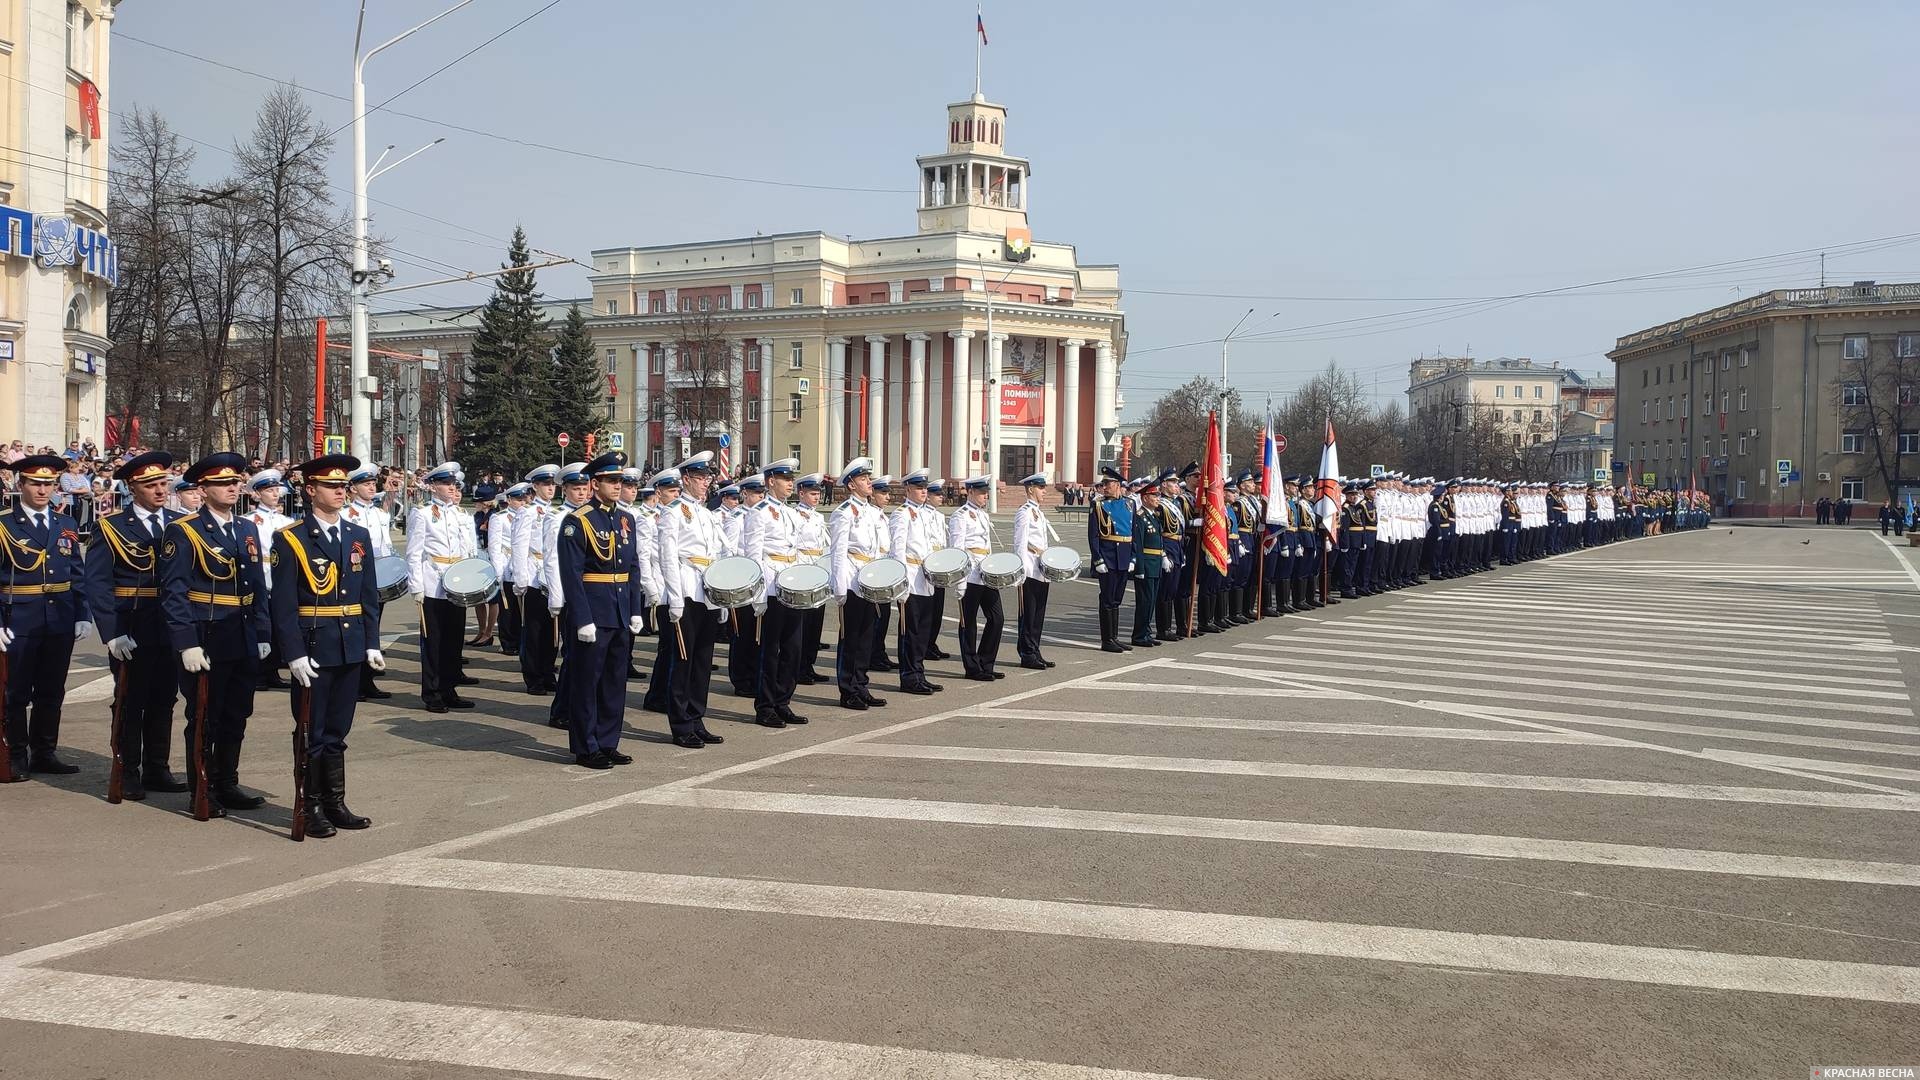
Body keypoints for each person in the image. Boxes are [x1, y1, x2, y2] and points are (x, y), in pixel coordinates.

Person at [272, 455, 383, 837]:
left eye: (342, 486)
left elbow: (368, 594)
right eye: (331, 486)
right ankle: (310, 805)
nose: (340, 492)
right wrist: (293, 653)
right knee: (311, 730)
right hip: (313, 645)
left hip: (349, 644)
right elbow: (283, 604)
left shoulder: (357, 535)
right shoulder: (291, 538)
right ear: (310, 490)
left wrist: (372, 642)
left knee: (338, 728)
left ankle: (335, 801)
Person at [161, 452, 272, 815]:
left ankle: (227, 781)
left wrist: (262, 631)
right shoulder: (185, 530)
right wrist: (186, 642)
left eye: (236, 483)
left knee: (237, 714)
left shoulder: (246, 529)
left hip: (241, 634)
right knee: (205, 715)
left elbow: (256, 584)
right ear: (203, 489)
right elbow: (174, 592)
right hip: (206, 634)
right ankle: (202, 788)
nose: (232, 488)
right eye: (223, 484)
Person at [84, 451, 186, 799]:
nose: (160, 490)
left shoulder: (179, 523)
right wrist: (111, 632)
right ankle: (127, 769)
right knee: (130, 698)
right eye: (151, 485)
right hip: (132, 621)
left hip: (169, 623)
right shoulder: (111, 527)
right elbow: (98, 583)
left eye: (163, 483)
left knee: (165, 698)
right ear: (132, 487)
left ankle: (157, 767)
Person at [0, 454, 94, 781]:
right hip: (19, 618)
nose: (43, 490)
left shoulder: (65, 524)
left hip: (60, 617)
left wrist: (82, 613)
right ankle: (14, 753)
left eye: (49, 484)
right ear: (20, 484)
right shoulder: (4, 524)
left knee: (52, 689)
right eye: (36, 483)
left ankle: (44, 751)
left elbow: (77, 575)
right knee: (15, 691)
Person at [556, 452, 643, 768]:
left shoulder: (626, 520)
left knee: (614, 682)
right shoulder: (577, 521)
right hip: (593, 612)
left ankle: (608, 741)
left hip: (619, 611)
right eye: (611, 480)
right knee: (586, 682)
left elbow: (633, 567)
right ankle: (585, 745)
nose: (618, 486)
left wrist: (635, 608)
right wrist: (581, 618)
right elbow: (571, 574)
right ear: (594, 484)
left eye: (620, 480)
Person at [657, 451, 730, 748]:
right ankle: (680, 724)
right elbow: (667, 558)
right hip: (686, 588)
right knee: (683, 660)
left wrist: (722, 597)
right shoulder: (673, 512)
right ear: (686, 479)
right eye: (700, 478)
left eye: (708, 478)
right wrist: (674, 599)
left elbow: (718, 555)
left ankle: (697, 717)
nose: (705, 483)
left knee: (702, 660)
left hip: (707, 591)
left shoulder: (706, 513)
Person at [405, 462, 477, 714]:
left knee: (454, 641)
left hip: (458, 583)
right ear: (433, 486)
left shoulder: (461, 515)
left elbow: (470, 551)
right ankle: (432, 692)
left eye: (453, 484)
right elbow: (414, 553)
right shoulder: (423, 513)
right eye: (446, 484)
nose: (451, 488)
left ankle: (449, 689)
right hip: (433, 583)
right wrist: (416, 585)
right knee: (433, 641)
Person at [744, 457, 810, 725]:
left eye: (791, 479)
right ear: (771, 482)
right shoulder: (758, 513)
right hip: (771, 586)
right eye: (785, 479)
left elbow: (797, 551)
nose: (790, 483)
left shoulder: (791, 513)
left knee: (792, 649)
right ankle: (766, 705)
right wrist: (757, 594)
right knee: (769, 651)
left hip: (792, 585)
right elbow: (753, 556)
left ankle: (783, 700)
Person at [830, 458, 889, 710]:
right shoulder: (843, 513)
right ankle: (848, 689)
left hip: (872, 579)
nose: (869, 483)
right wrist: (840, 587)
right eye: (864, 479)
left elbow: (881, 548)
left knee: (867, 635)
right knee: (851, 637)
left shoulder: (873, 512)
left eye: (869, 478)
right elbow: (838, 552)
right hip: (853, 579)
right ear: (851, 485)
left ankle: (861, 684)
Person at [540, 463, 592, 730]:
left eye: (585, 488)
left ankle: (578, 706)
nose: (582, 494)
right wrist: (558, 598)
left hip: (592, 592)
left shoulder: (594, 515)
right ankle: (561, 710)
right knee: (572, 656)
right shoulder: (557, 517)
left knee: (587, 657)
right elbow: (552, 559)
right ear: (565, 490)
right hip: (571, 594)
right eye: (576, 489)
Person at [343, 464, 396, 701]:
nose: (371, 487)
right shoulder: (345, 514)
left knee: (372, 627)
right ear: (352, 489)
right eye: (366, 484)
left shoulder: (381, 515)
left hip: (377, 577)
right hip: (356, 577)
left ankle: (367, 681)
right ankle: (353, 682)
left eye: (373, 483)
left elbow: (386, 546)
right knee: (356, 629)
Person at [888, 468, 942, 695]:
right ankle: (909, 677)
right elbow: (897, 550)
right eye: (919, 488)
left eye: (925, 488)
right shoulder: (902, 514)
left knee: (922, 631)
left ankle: (919, 673)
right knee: (910, 631)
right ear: (908, 489)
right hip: (910, 576)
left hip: (926, 578)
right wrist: (900, 582)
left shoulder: (926, 514)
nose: (923, 491)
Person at [947, 475, 1004, 680]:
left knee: (997, 618)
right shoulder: (960, 516)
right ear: (970, 492)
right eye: (981, 493)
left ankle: (985, 662)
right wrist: (959, 581)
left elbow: (986, 545)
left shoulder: (982, 515)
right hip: (969, 574)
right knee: (968, 623)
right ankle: (972, 667)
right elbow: (957, 549)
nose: (985, 496)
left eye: (986, 492)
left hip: (985, 573)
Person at [244, 470, 297, 690]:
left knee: (278, 624)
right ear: (257, 494)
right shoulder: (249, 521)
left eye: (277, 490)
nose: (275, 494)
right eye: (269, 490)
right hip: (260, 572)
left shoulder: (286, 521)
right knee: (261, 624)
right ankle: (258, 672)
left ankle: (273, 669)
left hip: (280, 575)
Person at [511, 464, 561, 696]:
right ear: (535, 486)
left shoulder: (556, 512)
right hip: (533, 574)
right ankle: (533, 677)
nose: (550, 488)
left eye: (553, 484)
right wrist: (521, 578)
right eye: (545, 484)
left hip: (552, 574)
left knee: (553, 629)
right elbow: (519, 546)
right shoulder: (527, 512)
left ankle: (548, 671)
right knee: (534, 630)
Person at [639, 469, 682, 713]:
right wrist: (649, 585)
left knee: (673, 645)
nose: (675, 495)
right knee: (668, 644)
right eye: (670, 491)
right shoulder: (649, 518)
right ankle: (657, 695)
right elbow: (644, 555)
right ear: (658, 492)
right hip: (662, 585)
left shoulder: (679, 514)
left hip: (677, 585)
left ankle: (661, 693)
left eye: (677, 491)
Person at [1012, 473, 1058, 668]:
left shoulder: (1038, 512)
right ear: (1031, 489)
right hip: (1030, 569)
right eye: (1041, 488)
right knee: (1028, 613)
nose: (1044, 491)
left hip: (1040, 569)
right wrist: (1021, 570)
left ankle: (1035, 649)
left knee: (1038, 613)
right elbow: (1020, 543)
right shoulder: (1024, 512)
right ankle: (1027, 653)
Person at [727, 474, 766, 698]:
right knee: (742, 632)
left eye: (762, 493)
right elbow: (730, 550)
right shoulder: (736, 517)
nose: (760, 497)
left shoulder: (760, 515)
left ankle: (754, 675)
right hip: (741, 579)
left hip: (757, 579)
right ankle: (741, 678)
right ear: (745, 494)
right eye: (756, 494)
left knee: (757, 633)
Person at [1087, 466, 1134, 652]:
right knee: (1107, 599)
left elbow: (1133, 532)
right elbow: (1093, 535)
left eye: (1108, 483)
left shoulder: (1130, 504)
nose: (1104, 487)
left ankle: (1114, 637)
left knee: (1116, 599)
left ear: (1117, 484)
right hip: (1108, 556)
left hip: (1124, 555)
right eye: (1103, 484)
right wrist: (1097, 559)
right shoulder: (1099, 505)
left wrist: (1133, 557)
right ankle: (1107, 640)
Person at [791, 472, 831, 684]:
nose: (816, 497)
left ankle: (808, 664)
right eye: (812, 493)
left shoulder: (817, 517)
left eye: (818, 493)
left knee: (816, 624)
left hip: (818, 573)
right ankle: (798, 667)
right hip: (804, 572)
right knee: (803, 625)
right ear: (801, 493)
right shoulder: (794, 515)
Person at [489, 485, 529, 658]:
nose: (521, 503)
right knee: (508, 608)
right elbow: (494, 545)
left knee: (524, 609)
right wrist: (498, 570)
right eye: (518, 500)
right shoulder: (500, 518)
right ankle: (508, 642)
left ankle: (522, 641)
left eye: (523, 499)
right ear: (509, 500)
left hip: (523, 564)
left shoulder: (529, 515)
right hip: (506, 565)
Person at [866, 475, 897, 674]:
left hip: (884, 572)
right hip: (873, 572)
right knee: (874, 617)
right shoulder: (869, 514)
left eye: (888, 493)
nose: (887, 497)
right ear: (873, 494)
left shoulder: (883, 516)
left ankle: (879, 653)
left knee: (883, 615)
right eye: (883, 493)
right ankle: (872, 655)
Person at [1131, 481, 1166, 647]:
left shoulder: (1153, 516)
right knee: (1144, 601)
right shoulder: (1140, 517)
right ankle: (1139, 635)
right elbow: (1138, 544)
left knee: (1151, 601)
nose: (1157, 498)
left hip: (1155, 564)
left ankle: (1146, 632)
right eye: (1154, 495)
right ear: (1145, 498)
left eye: (1158, 495)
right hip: (1146, 565)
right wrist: (1139, 568)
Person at [922, 479, 953, 661]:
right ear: (929, 497)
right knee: (928, 609)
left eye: (941, 494)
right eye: (937, 495)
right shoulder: (923, 515)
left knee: (938, 609)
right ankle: (925, 645)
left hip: (940, 566)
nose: (941, 497)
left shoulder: (940, 517)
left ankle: (931, 643)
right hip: (928, 565)